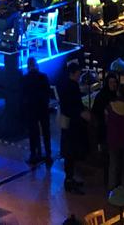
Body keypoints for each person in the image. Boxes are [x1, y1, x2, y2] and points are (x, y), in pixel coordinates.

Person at [55, 60, 87, 194]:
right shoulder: (73, 87)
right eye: (78, 74)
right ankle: (69, 180)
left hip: (66, 122)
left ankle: (70, 178)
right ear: (73, 73)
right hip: (73, 124)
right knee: (71, 152)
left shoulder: (63, 84)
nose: (79, 76)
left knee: (68, 152)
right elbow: (76, 105)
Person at [19, 57, 54, 165]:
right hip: (43, 108)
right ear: (37, 65)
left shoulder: (25, 79)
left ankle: (34, 154)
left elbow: (23, 95)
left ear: (28, 66)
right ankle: (48, 154)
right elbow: (48, 92)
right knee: (46, 132)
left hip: (31, 109)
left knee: (33, 133)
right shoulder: (43, 77)